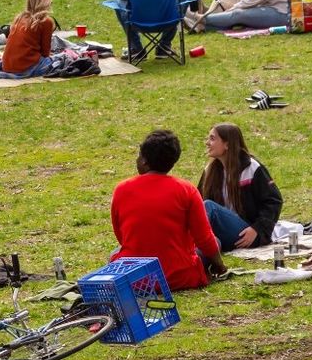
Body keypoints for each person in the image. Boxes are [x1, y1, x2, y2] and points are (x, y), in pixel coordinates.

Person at [110, 129, 225, 292]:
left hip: (135, 279)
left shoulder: (122, 189)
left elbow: (121, 235)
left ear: (144, 161)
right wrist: (219, 266)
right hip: (179, 277)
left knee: (115, 253)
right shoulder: (187, 190)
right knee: (216, 242)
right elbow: (204, 238)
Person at [198, 124, 283, 252]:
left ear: (227, 144)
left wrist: (257, 229)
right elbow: (196, 202)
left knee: (209, 207)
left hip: (247, 233)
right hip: (223, 231)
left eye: (212, 139)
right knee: (212, 242)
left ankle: (187, 245)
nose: (207, 143)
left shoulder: (251, 168)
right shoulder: (210, 171)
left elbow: (273, 201)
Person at [0, 0, 57, 78]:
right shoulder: (45, 21)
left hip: (7, 66)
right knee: (59, 60)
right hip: (26, 67)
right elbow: (45, 52)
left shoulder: (19, 18)